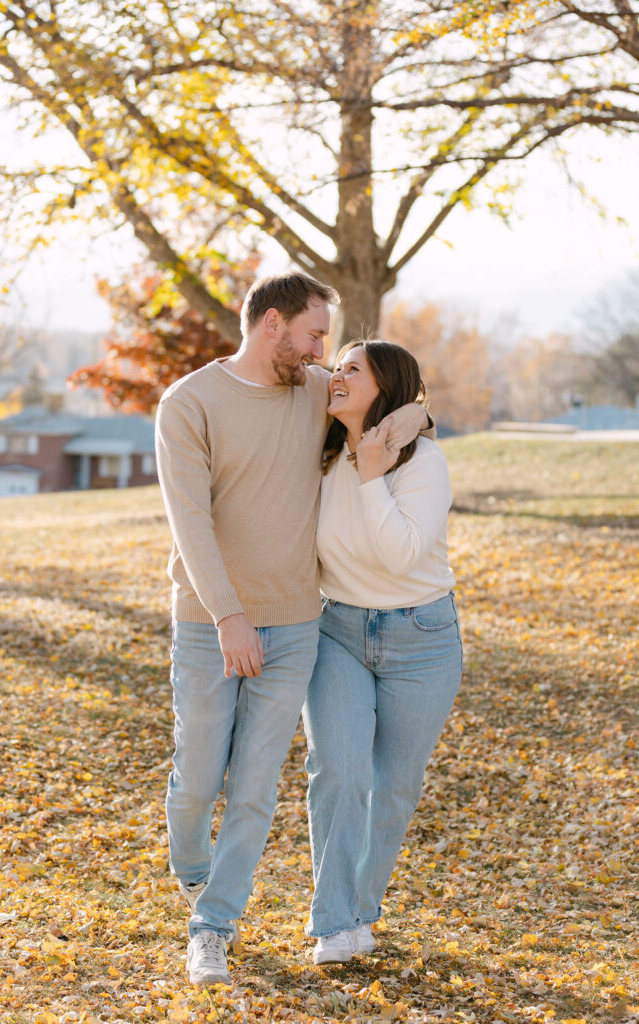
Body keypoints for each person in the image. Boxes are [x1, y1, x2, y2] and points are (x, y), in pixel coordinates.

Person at [154, 274, 433, 987]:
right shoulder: (189, 403)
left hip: (297, 625)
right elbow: (189, 525)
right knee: (198, 780)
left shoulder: (314, 391)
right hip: (209, 623)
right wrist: (228, 617)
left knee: (252, 788)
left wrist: (416, 421)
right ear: (272, 324)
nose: (321, 353)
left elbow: (394, 406)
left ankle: (211, 927)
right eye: (313, 335)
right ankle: (190, 867)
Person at [302, 339, 462, 965]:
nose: (336, 374)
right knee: (336, 773)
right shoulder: (316, 448)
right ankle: (334, 923)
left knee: (392, 787)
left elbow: (402, 555)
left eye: (352, 369)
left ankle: (360, 910)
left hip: (421, 640)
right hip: (337, 631)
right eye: (334, 365)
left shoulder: (422, 464)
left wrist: (374, 471)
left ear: (384, 386)